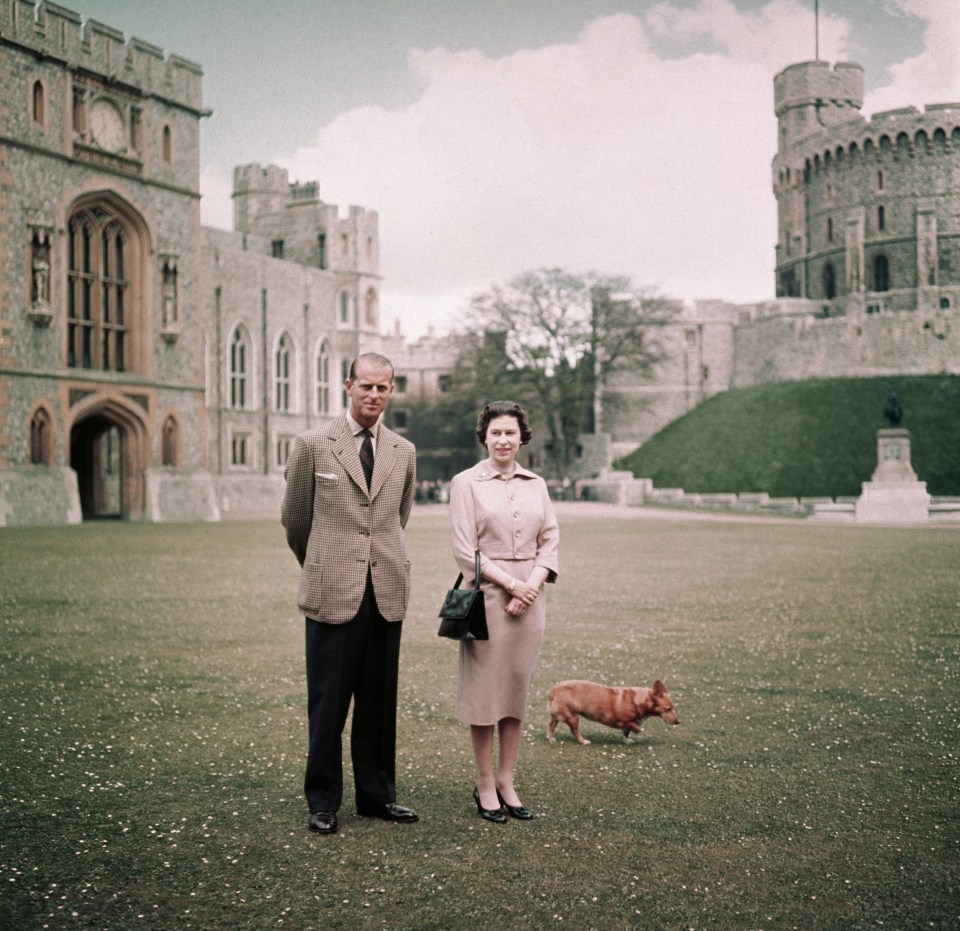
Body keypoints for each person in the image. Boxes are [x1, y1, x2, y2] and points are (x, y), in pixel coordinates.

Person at [281, 352, 418, 835]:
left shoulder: (403, 451)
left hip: (385, 590)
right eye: (366, 387)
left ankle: (378, 796)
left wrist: (373, 560)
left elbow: (397, 518)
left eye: (383, 388)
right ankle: (323, 799)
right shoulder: (314, 445)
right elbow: (296, 520)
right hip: (331, 590)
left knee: (379, 704)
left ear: (392, 390)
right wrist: (324, 564)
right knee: (329, 703)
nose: (375, 395)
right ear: (348, 386)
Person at [448, 401, 559, 822]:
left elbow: (549, 539)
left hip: (529, 602)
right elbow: (464, 550)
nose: (503, 440)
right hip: (486, 600)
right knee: (484, 696)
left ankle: (507, 780)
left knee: (515, 692)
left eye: (510, 433)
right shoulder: (466, 483)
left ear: (522, 437)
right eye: (495, 433)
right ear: (484, 436)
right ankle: (483, 783)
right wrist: (511, 585)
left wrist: (530, 585)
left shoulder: (537, 484)